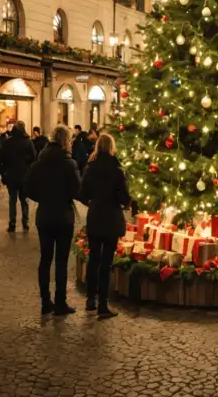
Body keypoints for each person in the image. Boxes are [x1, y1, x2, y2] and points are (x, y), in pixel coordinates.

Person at [25, 125, 81, 316]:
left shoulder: (39, 163)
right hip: (63, 216)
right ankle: (60, 302)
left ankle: (45, 301)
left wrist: (43, 197)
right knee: (61, 261)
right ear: (66, 141)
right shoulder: (69, 164)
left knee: (45, 258)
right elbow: (77, 189)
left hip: (45, 215)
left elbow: (29, 188)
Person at [79, 133, 131, 320]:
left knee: (94, 259)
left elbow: (82, 193)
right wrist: (125, 202)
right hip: (111, 218)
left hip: (95, 217)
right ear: (111, 147)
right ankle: (103, 303)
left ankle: (90, 300)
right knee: (106, 262)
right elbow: (124, 196)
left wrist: (93, 202)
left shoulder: (90, 168)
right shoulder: (117, 169)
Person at [0, 120, 36, 232]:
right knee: (24, 200)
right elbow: (33, 157)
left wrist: (4, 172)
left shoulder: (8, 142)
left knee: (12, 200)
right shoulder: (28, 142)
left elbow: (3, 158)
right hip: (24, 175)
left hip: (11, 175)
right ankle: (25, 223)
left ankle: (12, 223)